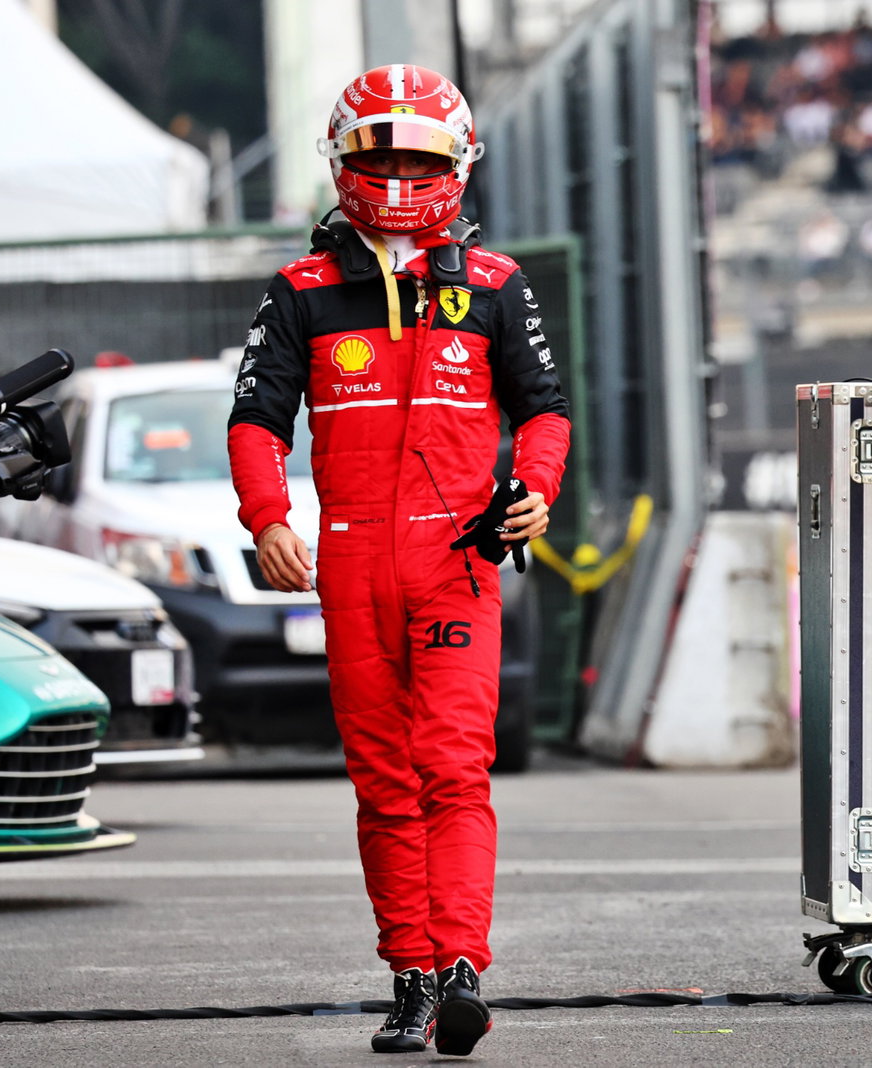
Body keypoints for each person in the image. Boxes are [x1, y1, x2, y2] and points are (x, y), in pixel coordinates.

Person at [227, 64, 571, 1056]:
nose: (398, 174)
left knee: (454, 770)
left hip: (456, 564)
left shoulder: (497, 286)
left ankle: (463, 968)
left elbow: (543, 408)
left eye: (417, 156)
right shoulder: (299, 291)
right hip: (347, 567)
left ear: (458, 163)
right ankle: (410, 978)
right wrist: (266, 516)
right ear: (342, 160)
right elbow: (256, 420)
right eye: (379, 155)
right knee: (383, 781)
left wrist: (536, 492)